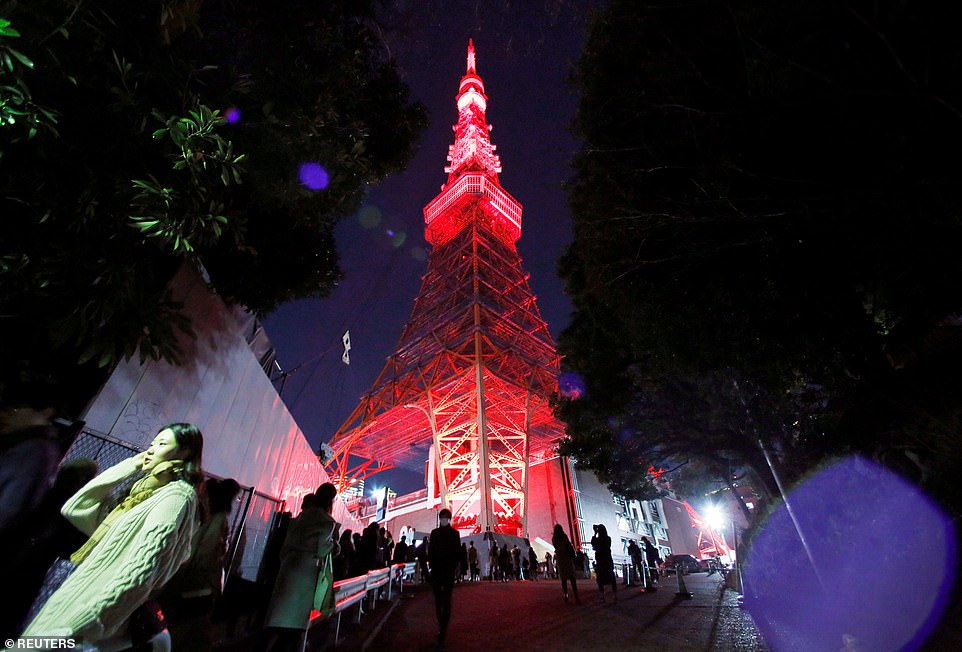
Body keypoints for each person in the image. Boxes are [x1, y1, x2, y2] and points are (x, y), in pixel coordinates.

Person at [20, 423, 205, 648]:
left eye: (162, 444)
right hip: (75, 598)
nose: (151, 450)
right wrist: (133, 463)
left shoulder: (176, 496)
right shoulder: (142, 494)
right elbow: (76, 508)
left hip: (83, 617)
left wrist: (82, 623)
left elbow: (140, 571)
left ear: (185, 452)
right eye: (151, 444)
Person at [162, 477, 241, 652]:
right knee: (188, 635)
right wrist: (213, 584)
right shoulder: (219, 519)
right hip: (197, 588)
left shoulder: (198, 512)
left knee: (171, 631)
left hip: (176, 581)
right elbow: (207, 553)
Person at [263, 482, 340, 652]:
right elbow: (323, 549)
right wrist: (335, 546)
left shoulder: (300, 517)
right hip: (305, 574)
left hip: (287, 568)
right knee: (294, 628)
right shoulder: (327, 521)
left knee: (277, 623)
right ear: (331, 501)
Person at [427, 508, 461, 645]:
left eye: (446, 517)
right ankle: (442, 623)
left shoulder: (452, 534)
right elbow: (431, 551)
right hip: (440, 571)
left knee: (445, 600)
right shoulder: (437, 533)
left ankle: (443, 627)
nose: (444, 519)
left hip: (445, 572)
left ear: (449, 519)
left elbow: (457, 552)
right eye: (442, 517)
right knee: (440, 600)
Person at [551, 524, 581, 604]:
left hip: (560, 559)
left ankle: (565, 595)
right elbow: (568, 545)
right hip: (567, 558)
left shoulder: (554, 539)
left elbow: (555, 547)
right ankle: (576, 596)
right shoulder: (564, 537)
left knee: (563, 579)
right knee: (572, 578)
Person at [591, 523, 617, 602]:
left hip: (600, 560)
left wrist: (595, 533)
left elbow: (593, 543)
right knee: (611, 577)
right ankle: (615, 595)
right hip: (608, 560)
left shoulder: (598, 540)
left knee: (601, 578)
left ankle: (602, 595)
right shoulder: (608, 538)